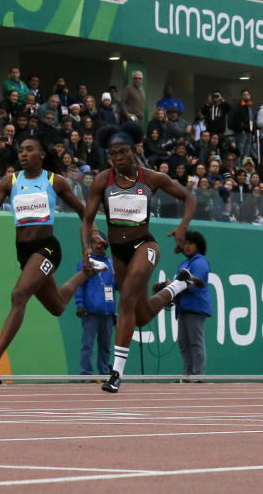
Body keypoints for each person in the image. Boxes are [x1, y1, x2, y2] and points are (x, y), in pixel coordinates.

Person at [81, 122, 199, 393]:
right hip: (118, 251)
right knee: (141, 314)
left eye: (123, 152)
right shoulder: (103, 180)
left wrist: (182, 228)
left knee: (126, 302)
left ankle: (115, 374)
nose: (118, 158)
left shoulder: (151, 178)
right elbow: (86, 219)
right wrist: (90, 240)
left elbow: (189, 197)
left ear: (134, 151)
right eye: (113, 154)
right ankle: (178, 285)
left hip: (145, 245)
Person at [0, 137, 100, 373]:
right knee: (57, 306)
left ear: (42, 155)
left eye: (30, 150)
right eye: (21, 150)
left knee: (19, 295)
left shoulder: (54, 181)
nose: (23, 154)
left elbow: (83, 211)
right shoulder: (10, 181)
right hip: (24, 252)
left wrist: (94, 234)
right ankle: (86, 273)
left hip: (47, 247)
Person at [160, 231, 210, 379]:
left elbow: (195, 283)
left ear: (198, 246)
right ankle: (188, 375)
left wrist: (174, 285)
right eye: (185, 244)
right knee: (184, 344)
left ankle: (198, 376)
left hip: (195, 308)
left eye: (191, 244)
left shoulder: (200, 261)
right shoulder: (184, 263)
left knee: (195, 343)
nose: (187, 246)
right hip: (183, 308)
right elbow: (180, 284)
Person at [74, 230, 116, 376]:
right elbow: (79, 286)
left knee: (105, 347)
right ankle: (86, 374)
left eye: (101, 243)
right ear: (91, 244)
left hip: (108, 314)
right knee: (87, 346)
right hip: (90, 313)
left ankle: (104, 373)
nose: (98, 246)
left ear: (106, 245)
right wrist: (80, 305)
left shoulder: (112, 264)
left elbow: (115, 286)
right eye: (95, 243)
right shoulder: (85, 264)